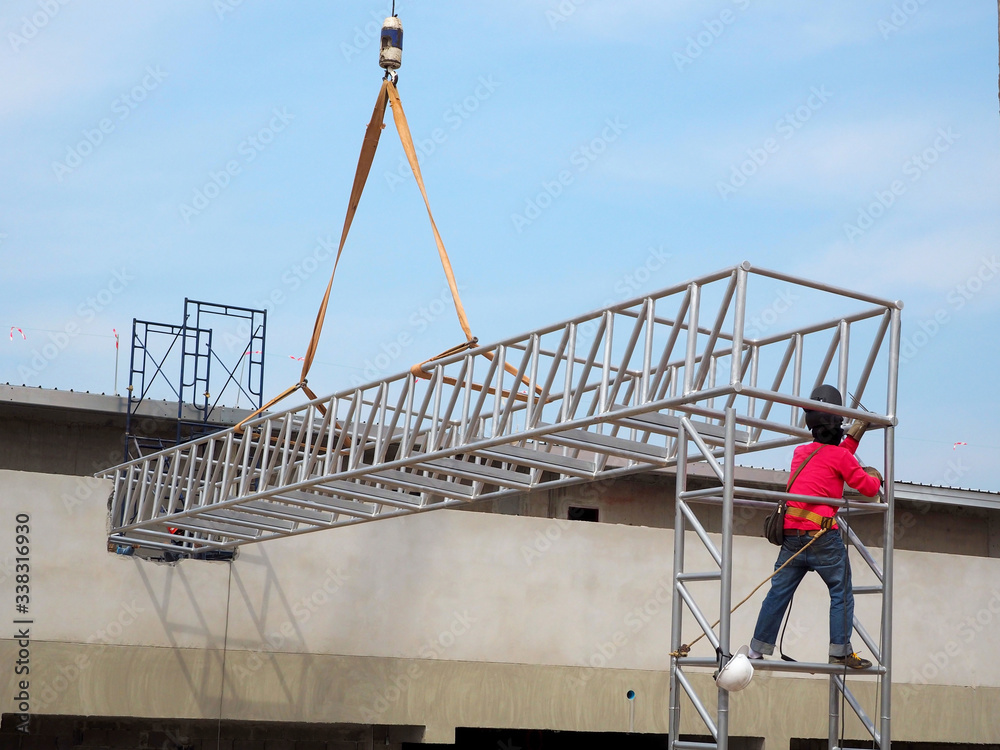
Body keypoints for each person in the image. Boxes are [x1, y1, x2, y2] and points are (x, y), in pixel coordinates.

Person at [749, 385, 883, 668]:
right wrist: (876, 476)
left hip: (792, 537)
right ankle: (839, 651)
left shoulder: (800, 453)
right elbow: (868, 488)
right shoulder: (842, 458)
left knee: (778, 593)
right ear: (837, 424)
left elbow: (831, 455)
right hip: (822, 538)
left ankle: (757, 649)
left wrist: (853, 435)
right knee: (841, 592)